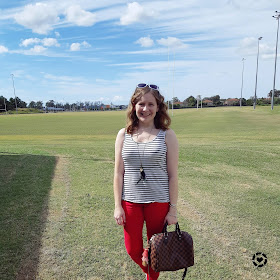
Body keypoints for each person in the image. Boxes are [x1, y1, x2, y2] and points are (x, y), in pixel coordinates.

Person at [114, 83, 179, 280]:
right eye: (141, 103)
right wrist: (118, 206)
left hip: (158, 202)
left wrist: (173, 210)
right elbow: (118, 173)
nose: (145, 109)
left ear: (158, 107)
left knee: (157, 250)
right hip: (130, 202)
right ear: (133, 106)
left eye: (151, 104)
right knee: (133, 249)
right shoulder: (123, 134)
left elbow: (173, 175)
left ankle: (151, 276)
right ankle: (149, 267)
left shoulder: (167, 135)